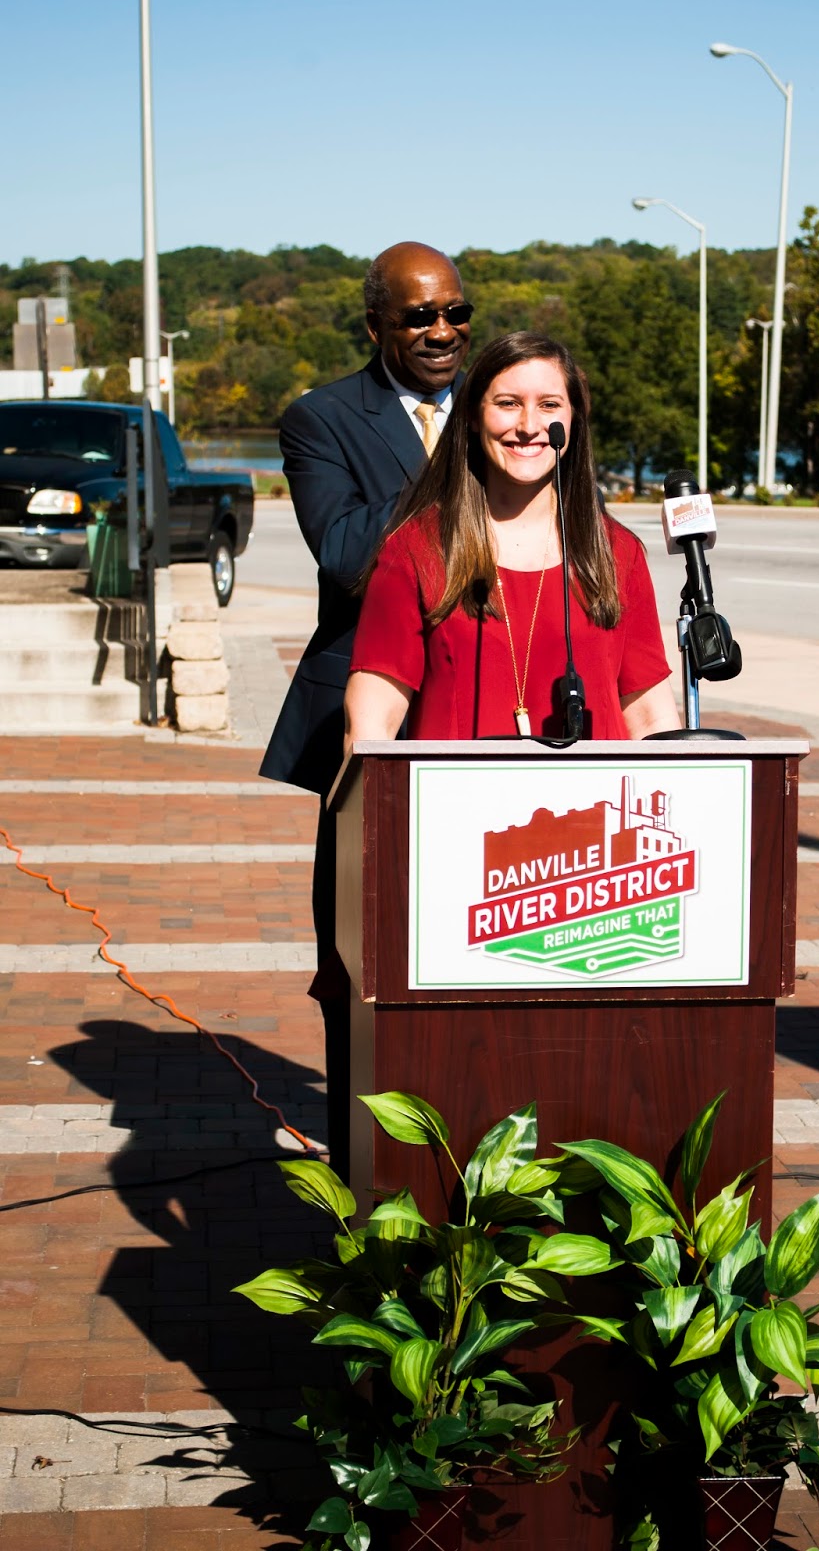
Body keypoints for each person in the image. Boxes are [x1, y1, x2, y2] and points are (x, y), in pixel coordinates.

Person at [259, 242, 472, 1173]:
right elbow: (345, 554)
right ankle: (361, 1164)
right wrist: (455, 463)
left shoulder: (505, 406)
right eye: (420, 316)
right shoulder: (322, 418)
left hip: (490, 712)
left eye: (456, 313)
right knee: (363, 951)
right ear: (376, 325)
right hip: (371, 717)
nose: (442, 331)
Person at [345, 331, 680, 745]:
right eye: (508, 403)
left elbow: (650, 716)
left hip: (598, 788)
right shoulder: (415, 549)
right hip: (461, 789)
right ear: (472, 415)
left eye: (549, 405)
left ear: (573, 419)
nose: (528, 426)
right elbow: (370, 725)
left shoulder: (617, 551)